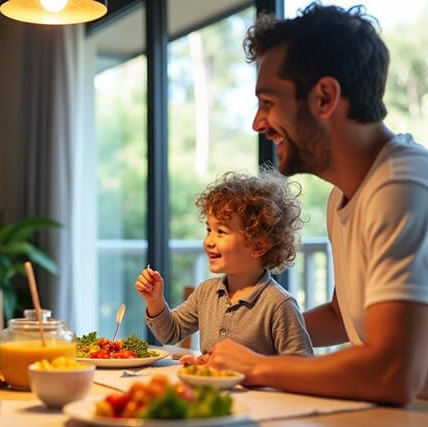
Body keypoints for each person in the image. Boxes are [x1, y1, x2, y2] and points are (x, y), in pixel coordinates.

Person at [207, 2, 428, 405]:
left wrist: (255, 366)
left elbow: (393, 372)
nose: (257, 122)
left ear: (325, 97)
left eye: (268, 102)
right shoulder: (345, 195)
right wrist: (249, 338)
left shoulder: (400, 185)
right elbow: (342, 318)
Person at [135, 171, 312, 360]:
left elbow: (301, 366)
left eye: (221, 231)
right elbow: (170, 333)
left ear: (258, 245)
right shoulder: (206, 292)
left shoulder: (278, 304)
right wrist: (155, 301)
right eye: (209, 230)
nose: (208, 241)